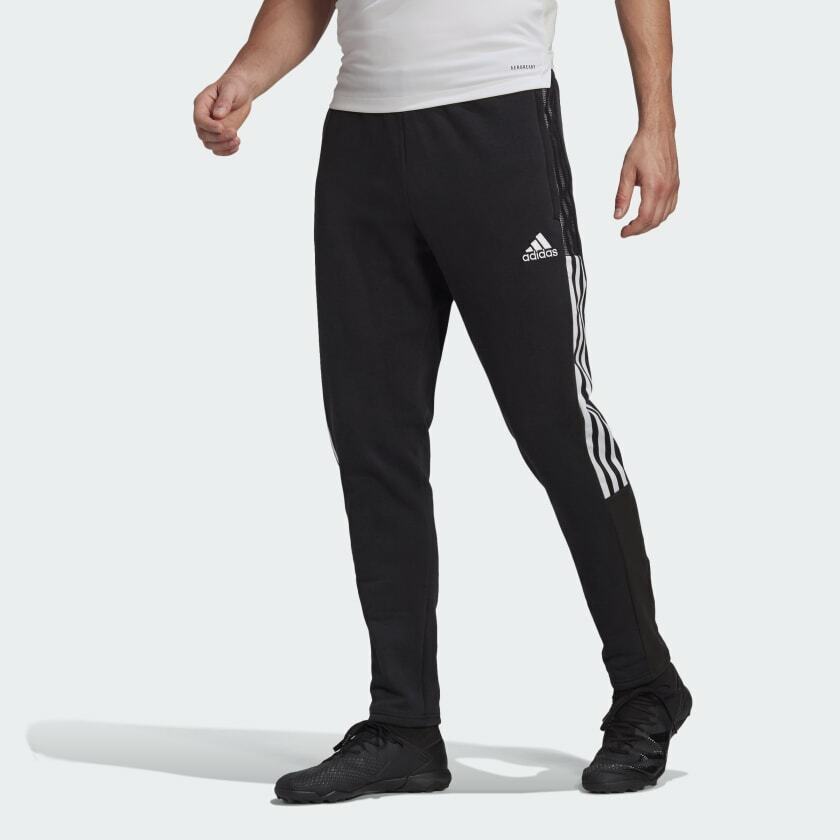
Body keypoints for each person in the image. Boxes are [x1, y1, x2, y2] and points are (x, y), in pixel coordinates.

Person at [193, 0, 691, 802]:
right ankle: (404, 726)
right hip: (362, 144)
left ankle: (647, 688)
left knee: (558, 427)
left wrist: (655, 122)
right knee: (373, 438)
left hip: (497, 123)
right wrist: (245, 77)